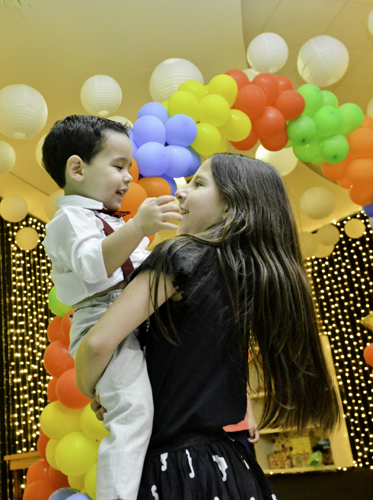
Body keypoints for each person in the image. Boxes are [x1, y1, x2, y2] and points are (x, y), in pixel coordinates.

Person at [75, 153, 341, 500]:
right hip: (229, 468)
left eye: (199, 184)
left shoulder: (179, 254)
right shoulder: (245, 276)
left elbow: (98, 344)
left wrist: (90, 389)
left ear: (231, 205)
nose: (180, 192)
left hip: (174, 469)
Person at [41, 115, 181, 500]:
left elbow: (139, 265)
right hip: (101, 317)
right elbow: (93, 266)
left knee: (150, 408)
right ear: (77, 169)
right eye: (119, 167)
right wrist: (139, 227)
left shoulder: (108, 220)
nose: (127, 178)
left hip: (132, 315)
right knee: (132, 412)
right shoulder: (69, 219)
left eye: (129, 168)